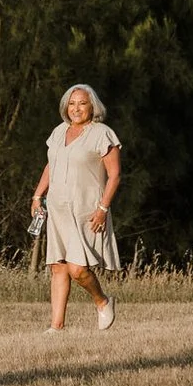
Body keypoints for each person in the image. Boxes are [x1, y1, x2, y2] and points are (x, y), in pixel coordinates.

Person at [30, 83, 122, 332]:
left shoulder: (102, 133)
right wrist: (37, 196)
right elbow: (51, 165)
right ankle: (56, 326)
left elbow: (115, 175)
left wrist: (103, 209)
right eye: (72, 104)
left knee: (78, 269)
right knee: (58, 266)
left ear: (93, 106)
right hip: (57, 208)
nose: (76, 108)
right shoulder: (58, 131)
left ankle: (102, 301)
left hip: (86, 210)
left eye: (82, 103)